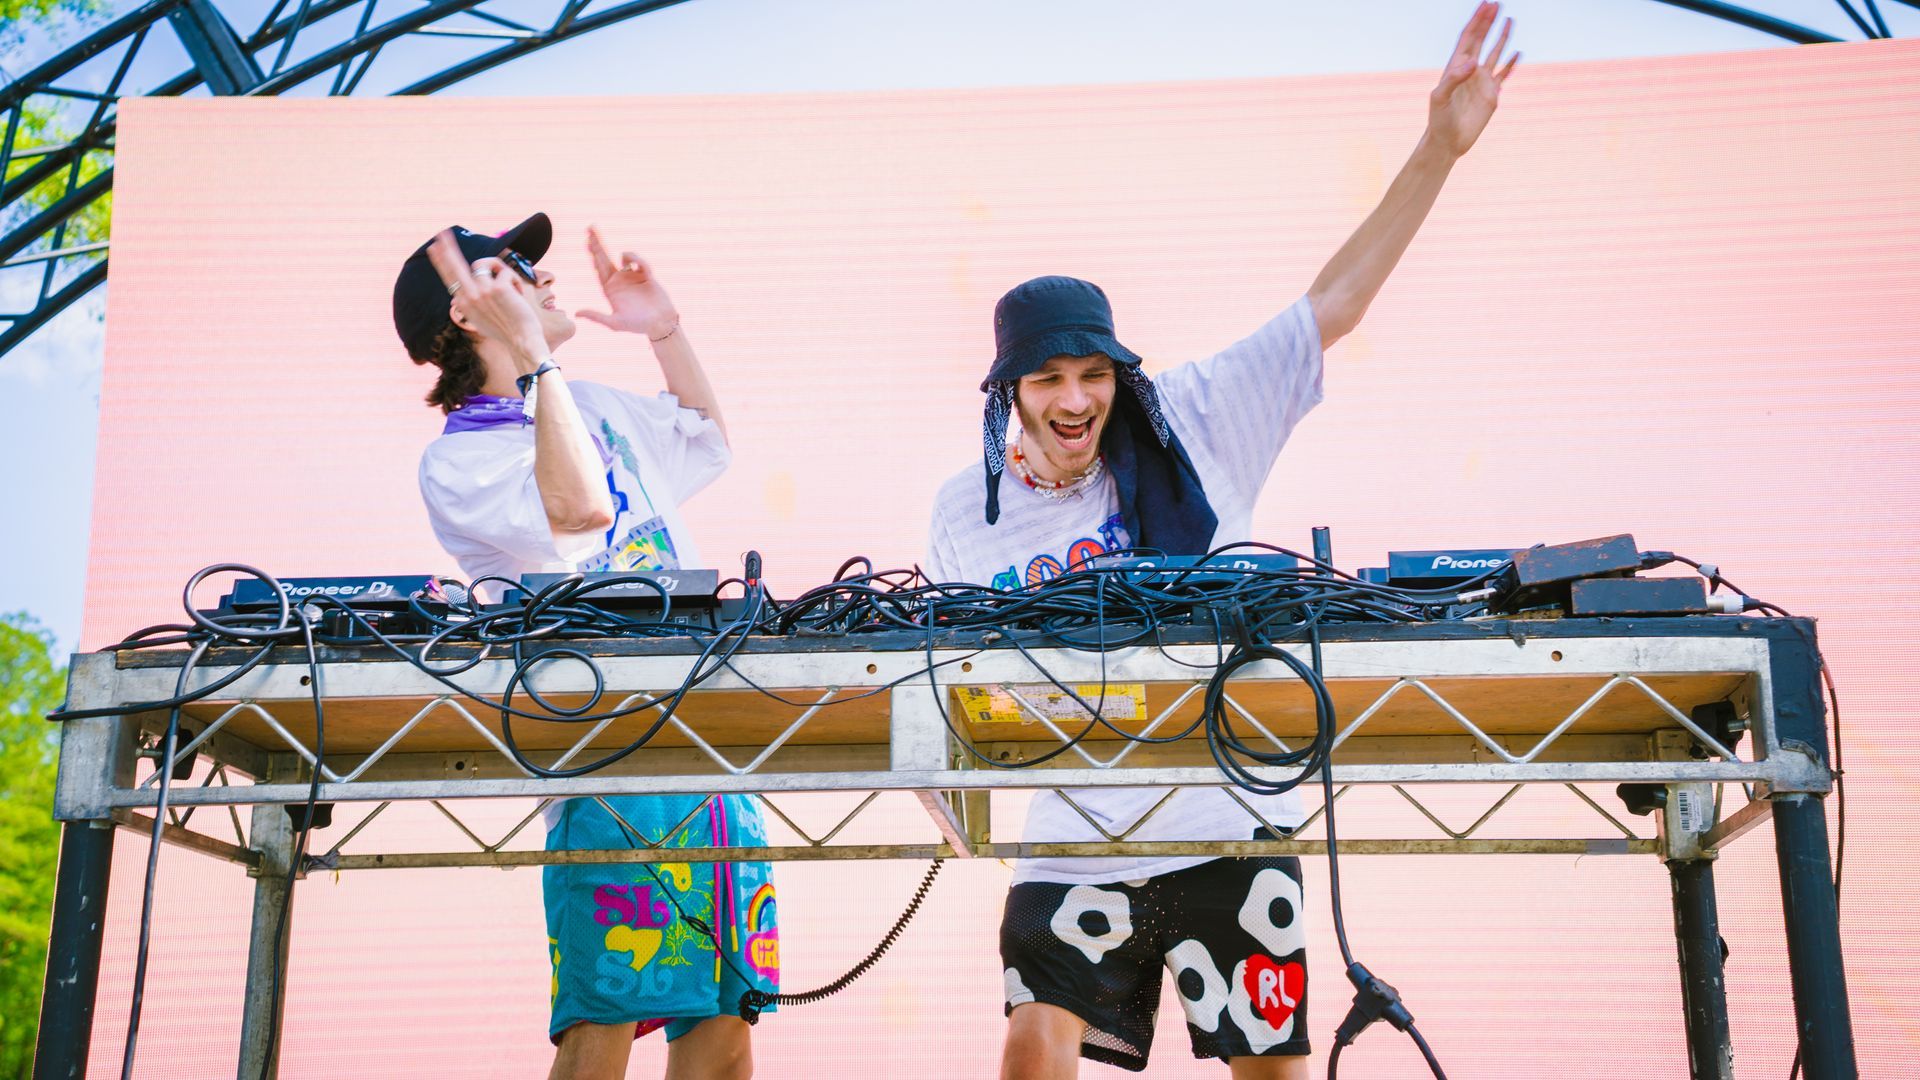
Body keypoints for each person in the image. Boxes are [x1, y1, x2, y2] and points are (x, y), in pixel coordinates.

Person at [923, 5, 1519, 1076]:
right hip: (1077, 831)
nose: (1073, 400)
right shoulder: (963, 513)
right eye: (1048, 379)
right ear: (1007, 393)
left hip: (1232, 818)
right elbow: (964, 679)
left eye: (1092, 375)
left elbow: (1332, 303)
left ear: (1119, 377)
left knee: (1273, 1069)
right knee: (1029, 1053)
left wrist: (1438, 145)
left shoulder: (1194, 421)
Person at [391, 214, 775, 1080]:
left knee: (724, 1035)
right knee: (603, 1028)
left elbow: (706, 438)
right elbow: (578, 512)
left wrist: (663, 332)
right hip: (605, 759)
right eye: (516, 268)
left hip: (709, 748)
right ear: (466, 312)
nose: (547, 278)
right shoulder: (459, 461)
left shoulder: (585, 400)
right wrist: (535, 358)